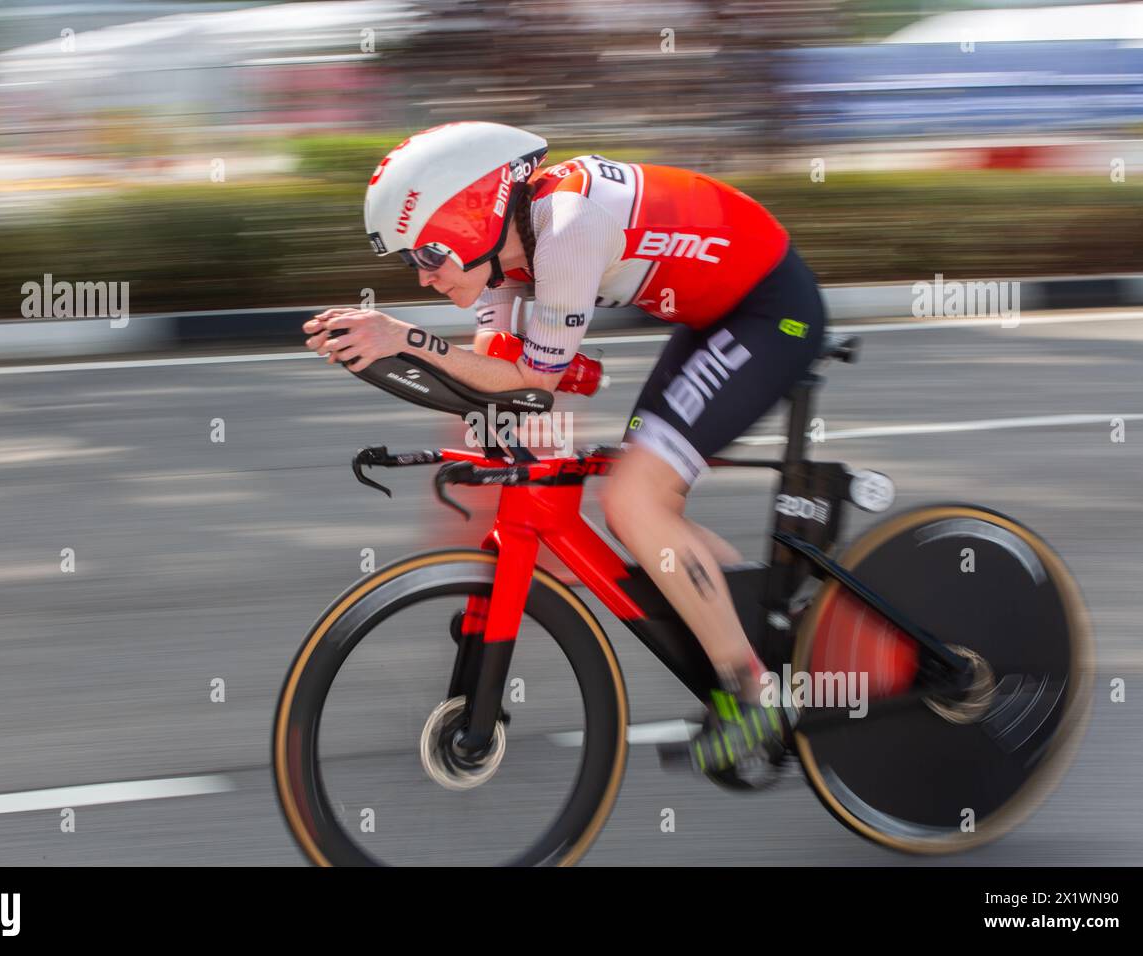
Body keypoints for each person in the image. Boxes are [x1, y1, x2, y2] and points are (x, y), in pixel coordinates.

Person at [304, 121, 827, 775]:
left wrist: (403, 339)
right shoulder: (509, 254)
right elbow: (497, 381)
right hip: (715, 314)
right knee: (640, 509)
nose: (423, 277)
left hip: (769, 313)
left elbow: (530, 381)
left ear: (470, 220)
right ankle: (764, 629)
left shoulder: (567, 228)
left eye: (425, 255)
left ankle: (756, 695)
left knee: (636, 502)